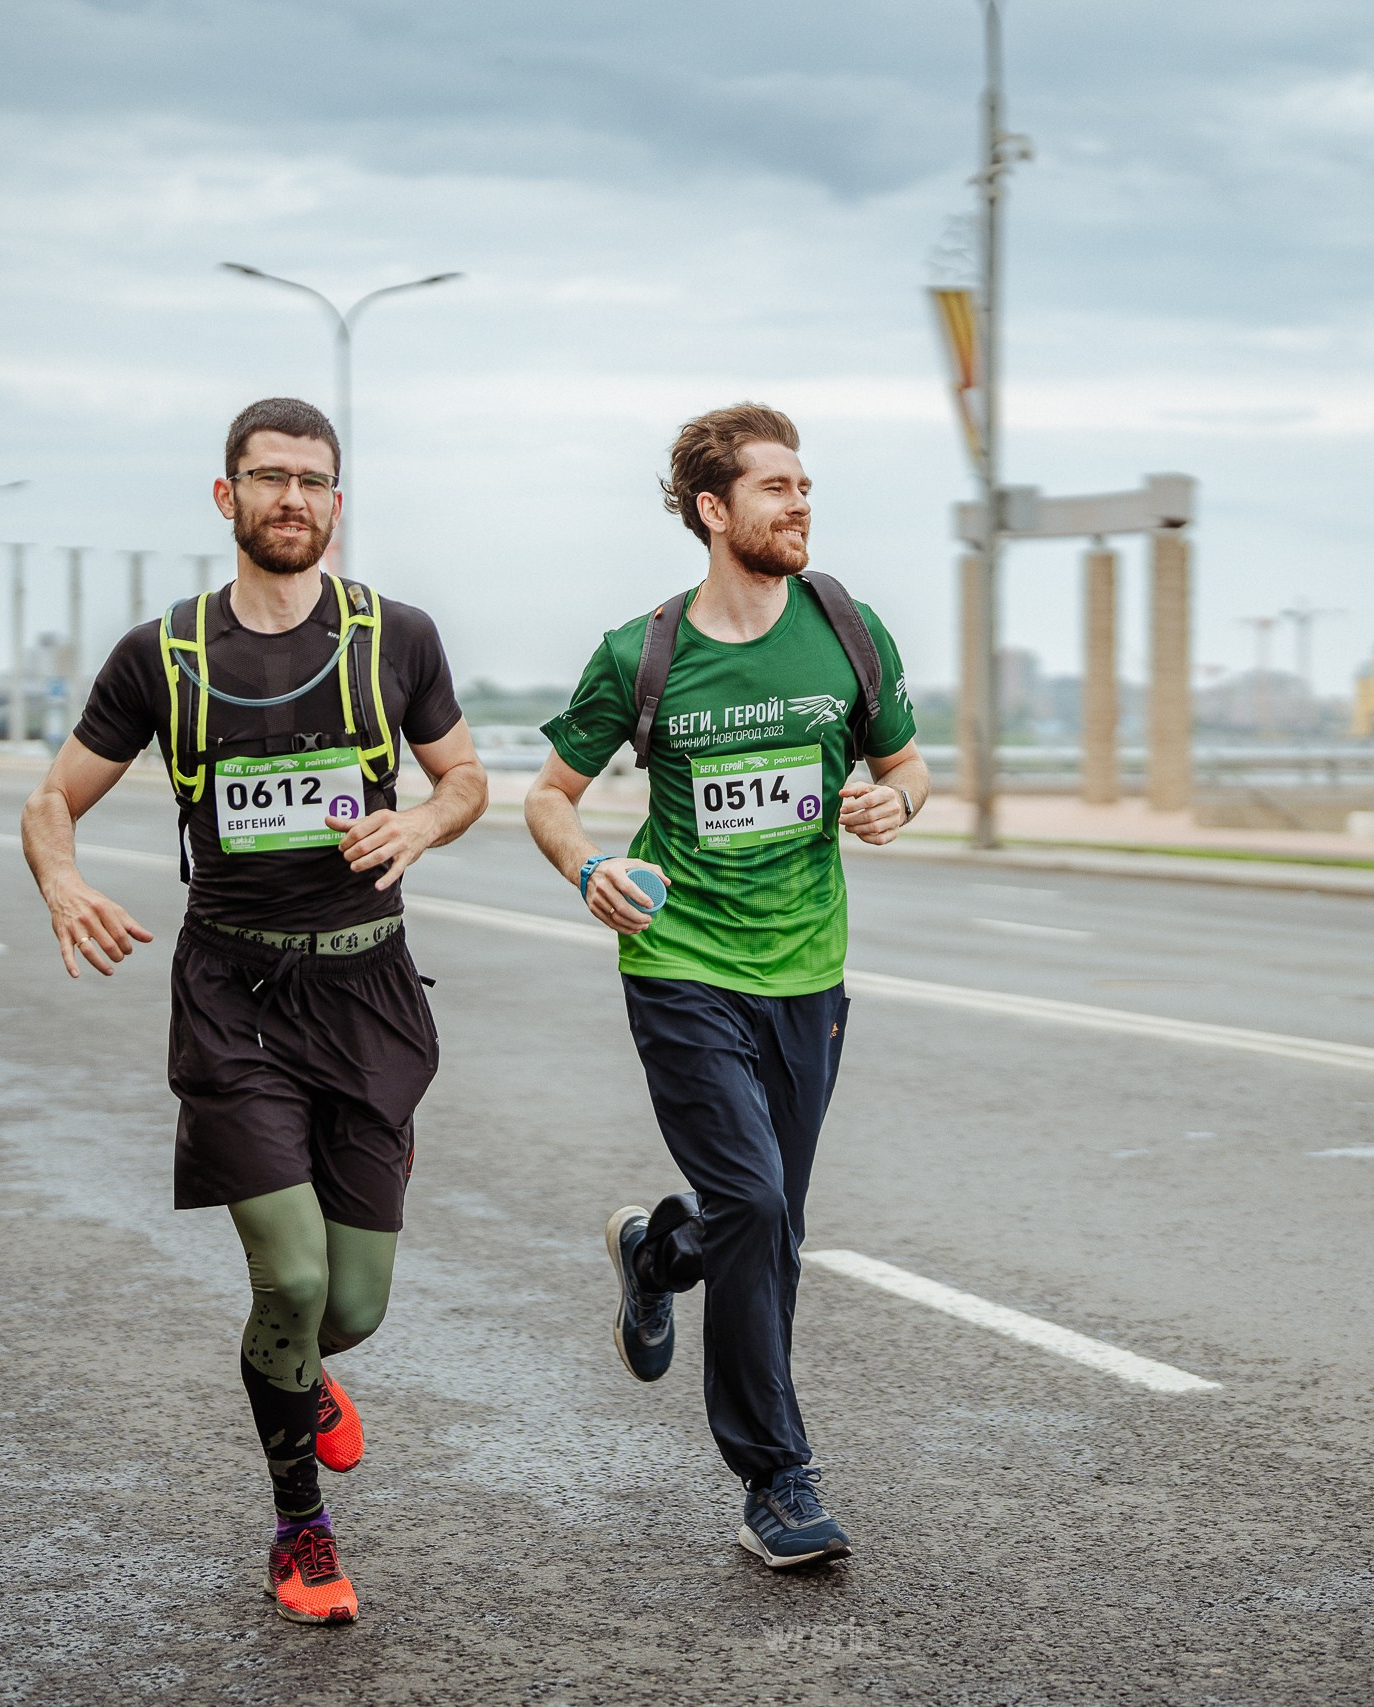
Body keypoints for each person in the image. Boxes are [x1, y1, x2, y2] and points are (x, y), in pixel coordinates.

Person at [19, 397, 487, 1626]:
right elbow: (49, 804)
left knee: (350, 1308)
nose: (293, 498)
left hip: (369, 991)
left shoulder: (398, 636)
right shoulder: (162, 657)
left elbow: (467, 776)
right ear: (224, 498)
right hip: (233, 996)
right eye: (269, 477)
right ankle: (300, 1533)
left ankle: (313, 1368)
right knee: (287, 1280)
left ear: (338, 502)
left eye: (314, 480)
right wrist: (64, 885)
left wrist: (424, 821)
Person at [524, 402, 928, 1569]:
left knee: (768, 1224)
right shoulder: (641, 653)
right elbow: (550, 795)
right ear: (714, 510)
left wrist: (895, 802)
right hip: (682, 963)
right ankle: (776, 1480)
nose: (801, 505)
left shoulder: (847, 629)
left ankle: (655, 1256)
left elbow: (905, 767)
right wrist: (590, 865)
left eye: (805, 487)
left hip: (808, 970)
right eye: (776, 489)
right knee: (756, 1207)